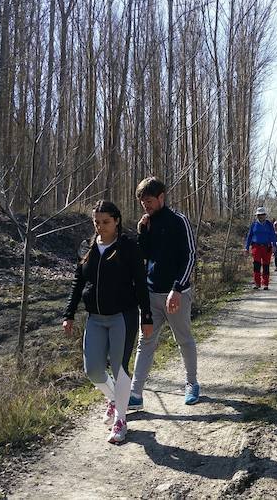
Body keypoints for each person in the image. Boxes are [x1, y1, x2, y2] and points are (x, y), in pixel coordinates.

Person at [62, 200, 153, 443]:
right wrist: (69, 313)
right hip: (95, 318)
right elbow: (78, 282)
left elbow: (141, 284)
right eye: (96, 222)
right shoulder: (88, 248)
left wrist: (147, 315)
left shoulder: (127, 247)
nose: (100, 227)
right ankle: (113, 398)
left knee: (119, 367)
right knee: (92, 369)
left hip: (123, 316)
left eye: (105, 222)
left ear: (116, 221)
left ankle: (121, 420)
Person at [129, 177, 200, 410]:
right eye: (142, 202)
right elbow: (143, 256)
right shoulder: (147, 223)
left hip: (176, 293)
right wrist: (141, 232)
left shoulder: (179, 221)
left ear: (161, 197)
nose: (145, 206)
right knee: (145, 341)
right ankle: (135, 394)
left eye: (148, 201)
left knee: (184, 339)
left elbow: (190, 256)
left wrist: (177, 289)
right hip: (151, 294)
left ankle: (191, 384)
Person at [245, 207, 276, 290]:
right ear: (257, 216)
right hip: (256, 247)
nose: (260, 216)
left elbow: (273, 235)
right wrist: (246, 247)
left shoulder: (269, 224)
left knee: (266, 265)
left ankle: (265, 283)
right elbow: (249, 236)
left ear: (265, 215)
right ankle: (257, 283)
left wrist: (274, 246)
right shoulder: (253, 225)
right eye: (259, 215)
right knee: (256, 265)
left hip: (266, 247)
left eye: (262, 215)